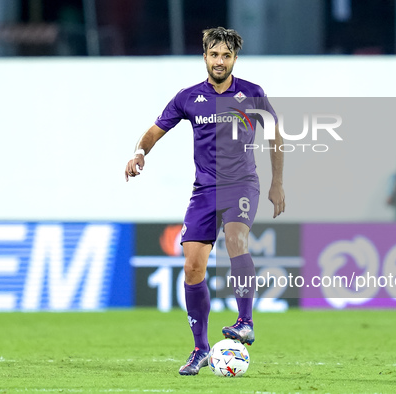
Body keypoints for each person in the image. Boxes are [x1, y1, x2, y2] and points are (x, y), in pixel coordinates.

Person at [125, 27, 285, 375]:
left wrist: (277, 184)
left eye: (226, 55)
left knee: (235, 239)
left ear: (234, 59)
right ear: (205, 57)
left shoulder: (252, 93)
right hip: (204, 191)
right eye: (214, 55)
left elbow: (276, 135)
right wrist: (140, 153)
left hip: (242, 184)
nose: (220, 61)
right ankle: (200, 349)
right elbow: (155, 131)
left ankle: (245, 321)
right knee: (193, 266)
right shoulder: (188, 97)